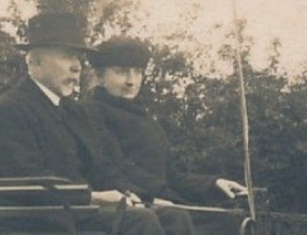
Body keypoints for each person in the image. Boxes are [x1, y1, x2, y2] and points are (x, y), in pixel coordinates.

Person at [0, 12, 212, 235]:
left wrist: (132, 195)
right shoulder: (11, 110)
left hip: (75, 216)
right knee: (139, 223)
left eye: (78, 58)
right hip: (37, 221)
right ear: (35, 61)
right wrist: (93, 198)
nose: (76, 66)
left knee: (170, 217)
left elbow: (103, 167)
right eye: (66, 56)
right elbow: (26, 181)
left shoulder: (71, 111)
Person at [80, 36, 248, 206]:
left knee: (231, 222)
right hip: (134, 205)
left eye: (137, 72)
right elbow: (113, 168)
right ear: (100, 77)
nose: (131, 81)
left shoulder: (146, 119)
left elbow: (172, 176)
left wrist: (213, 184)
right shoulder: (91, 112)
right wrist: (152, 198)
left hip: (162, 201)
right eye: (121, 72)